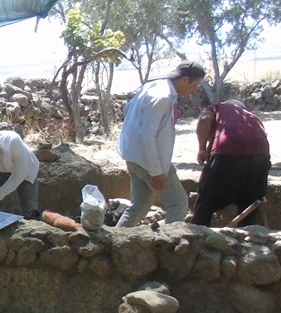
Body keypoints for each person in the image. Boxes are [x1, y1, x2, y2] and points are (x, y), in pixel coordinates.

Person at [114, 60, 206, 227]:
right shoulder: (163, 97)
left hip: (134, 156)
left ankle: (116, 239)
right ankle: (170, 242)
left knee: (139, 206)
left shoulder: (152, 87)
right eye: (195, 85)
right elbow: (147, 135)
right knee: (177, 203)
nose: (194, 90)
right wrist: (156, 171)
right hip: (148, 160)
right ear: (185, 79)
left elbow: (127, 110)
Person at [191, 98, 271, 227]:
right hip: (261, 158)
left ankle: (197, 232)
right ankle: (248, 234)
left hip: (227, 153)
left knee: (205, 202)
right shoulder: (253, 118)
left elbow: (205, 119)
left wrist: (202, 149)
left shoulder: (218, 108)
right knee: (250, 206)